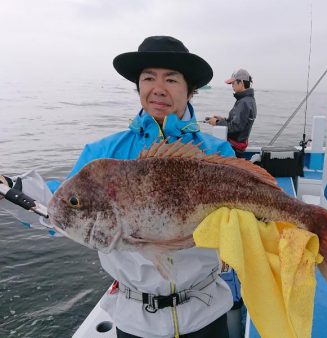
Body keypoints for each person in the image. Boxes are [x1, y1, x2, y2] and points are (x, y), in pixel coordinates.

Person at [0, 36, 235, 338]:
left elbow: (239, 221)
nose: (158, 88)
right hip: (136, 320)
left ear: (190, 91)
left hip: (206, 312)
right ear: (139, 87)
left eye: (172, 79)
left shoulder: (217, 154)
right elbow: (63, 205)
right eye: (148, 78)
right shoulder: (103, 154)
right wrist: (10, 187)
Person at [206, 69, 257, 158]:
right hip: (237, 147)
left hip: (234, 149)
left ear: (241, 83)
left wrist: (217, 122)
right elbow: (239, 123)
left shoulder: (244, 102)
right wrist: (223, 119)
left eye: (233, 83)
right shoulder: (248, 100)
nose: (232, 86)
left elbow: (235, 127)